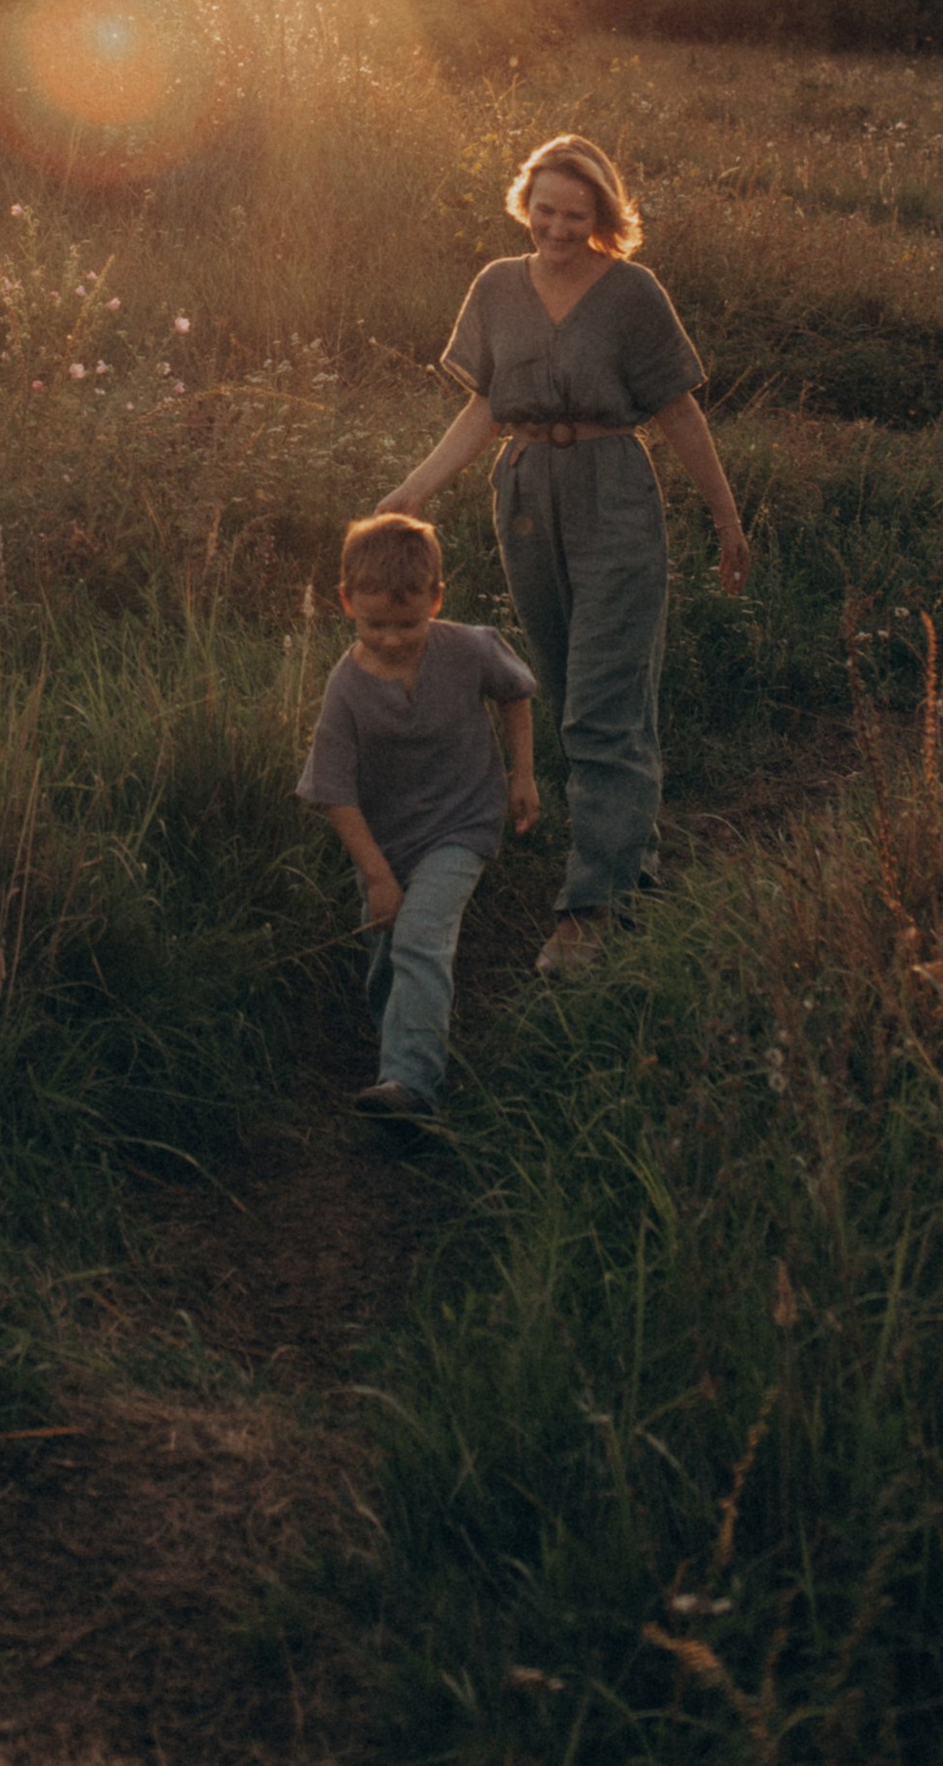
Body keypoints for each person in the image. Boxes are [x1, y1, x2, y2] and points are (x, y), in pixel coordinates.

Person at [381, 131, 748, 977]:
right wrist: (414, 490)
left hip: (613, 487)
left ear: (603, 217)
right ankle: (632, 866)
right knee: (572, 690)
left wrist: (728, 522)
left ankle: (590, 908)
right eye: (544, 210)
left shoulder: (632, 294)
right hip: (523, 495)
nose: (555, 228)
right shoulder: (497, 287)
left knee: (601, 707)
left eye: (575, 215)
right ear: (526, 204)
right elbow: (485, 408)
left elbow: (680, 413)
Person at [296, 510, 538, 1120]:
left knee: (423, 938)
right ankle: (390, 1055)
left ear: (436, 599)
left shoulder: (468, 648)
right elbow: (334, 792)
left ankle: (414, 1083)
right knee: (388, 945)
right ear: (348, 603)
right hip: (382, 839)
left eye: (408, 623)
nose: (393, 637)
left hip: (462, 823)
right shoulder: (346, 688)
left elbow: (515, 692)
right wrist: (377, 876)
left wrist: (523, 775)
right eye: (376, 623)